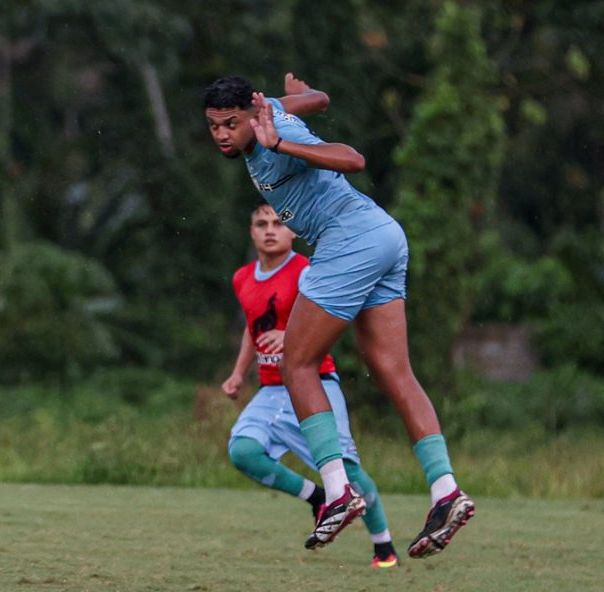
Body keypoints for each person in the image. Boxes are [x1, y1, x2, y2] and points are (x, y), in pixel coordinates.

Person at [203, 73, 474, 559]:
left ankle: (337, 488)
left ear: (251, 113)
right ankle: (445, 491)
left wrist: (283, 142)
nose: (222, 134)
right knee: (393, 370)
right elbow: (319, 99)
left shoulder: (274, 134)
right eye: (214, 126)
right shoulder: (264, 113)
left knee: (297, 364)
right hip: (383, 235)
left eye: (230, 123)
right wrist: (303, 96)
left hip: (349, 241)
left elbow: (352, 158)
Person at [221, 201, 399, 568]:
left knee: (349, 471)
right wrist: (239, 372)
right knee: (242, 450)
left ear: (293, 232)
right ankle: (317, 497)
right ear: (251, 231)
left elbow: (330, 317)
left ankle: (384, 546)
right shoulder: (242, 278)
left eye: (278, 222)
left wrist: (291, 335)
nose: (270, 229)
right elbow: (251, 328)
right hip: (272, 390)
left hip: (313, 383)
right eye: (261, 223)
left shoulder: (306, 271)